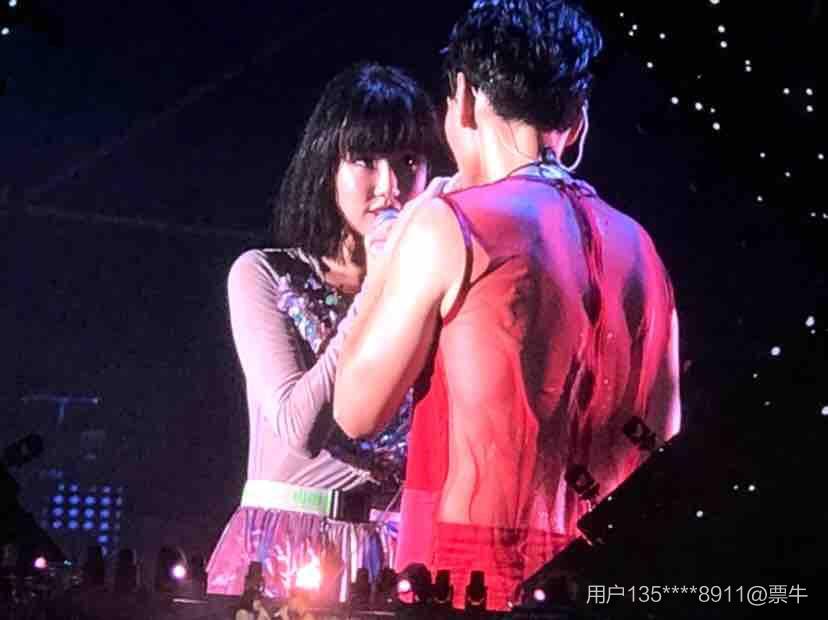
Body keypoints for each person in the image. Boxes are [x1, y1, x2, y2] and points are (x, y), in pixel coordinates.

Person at [334, 1, 681, 610]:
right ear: (577, 118)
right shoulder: (643, 250)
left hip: (474, 572)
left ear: (464, 98)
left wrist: (387, 261)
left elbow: (356, 411)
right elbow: (665, 445)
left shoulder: (453, 224)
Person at [206, 62, 443, 601]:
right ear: (327, 165)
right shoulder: (264, 274)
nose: (390, 186)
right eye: (366, 160)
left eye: (408, 162)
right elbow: (300, 427)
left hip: (396, 555)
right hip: (285, 549)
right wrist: (376, 288)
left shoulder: (430, 292)